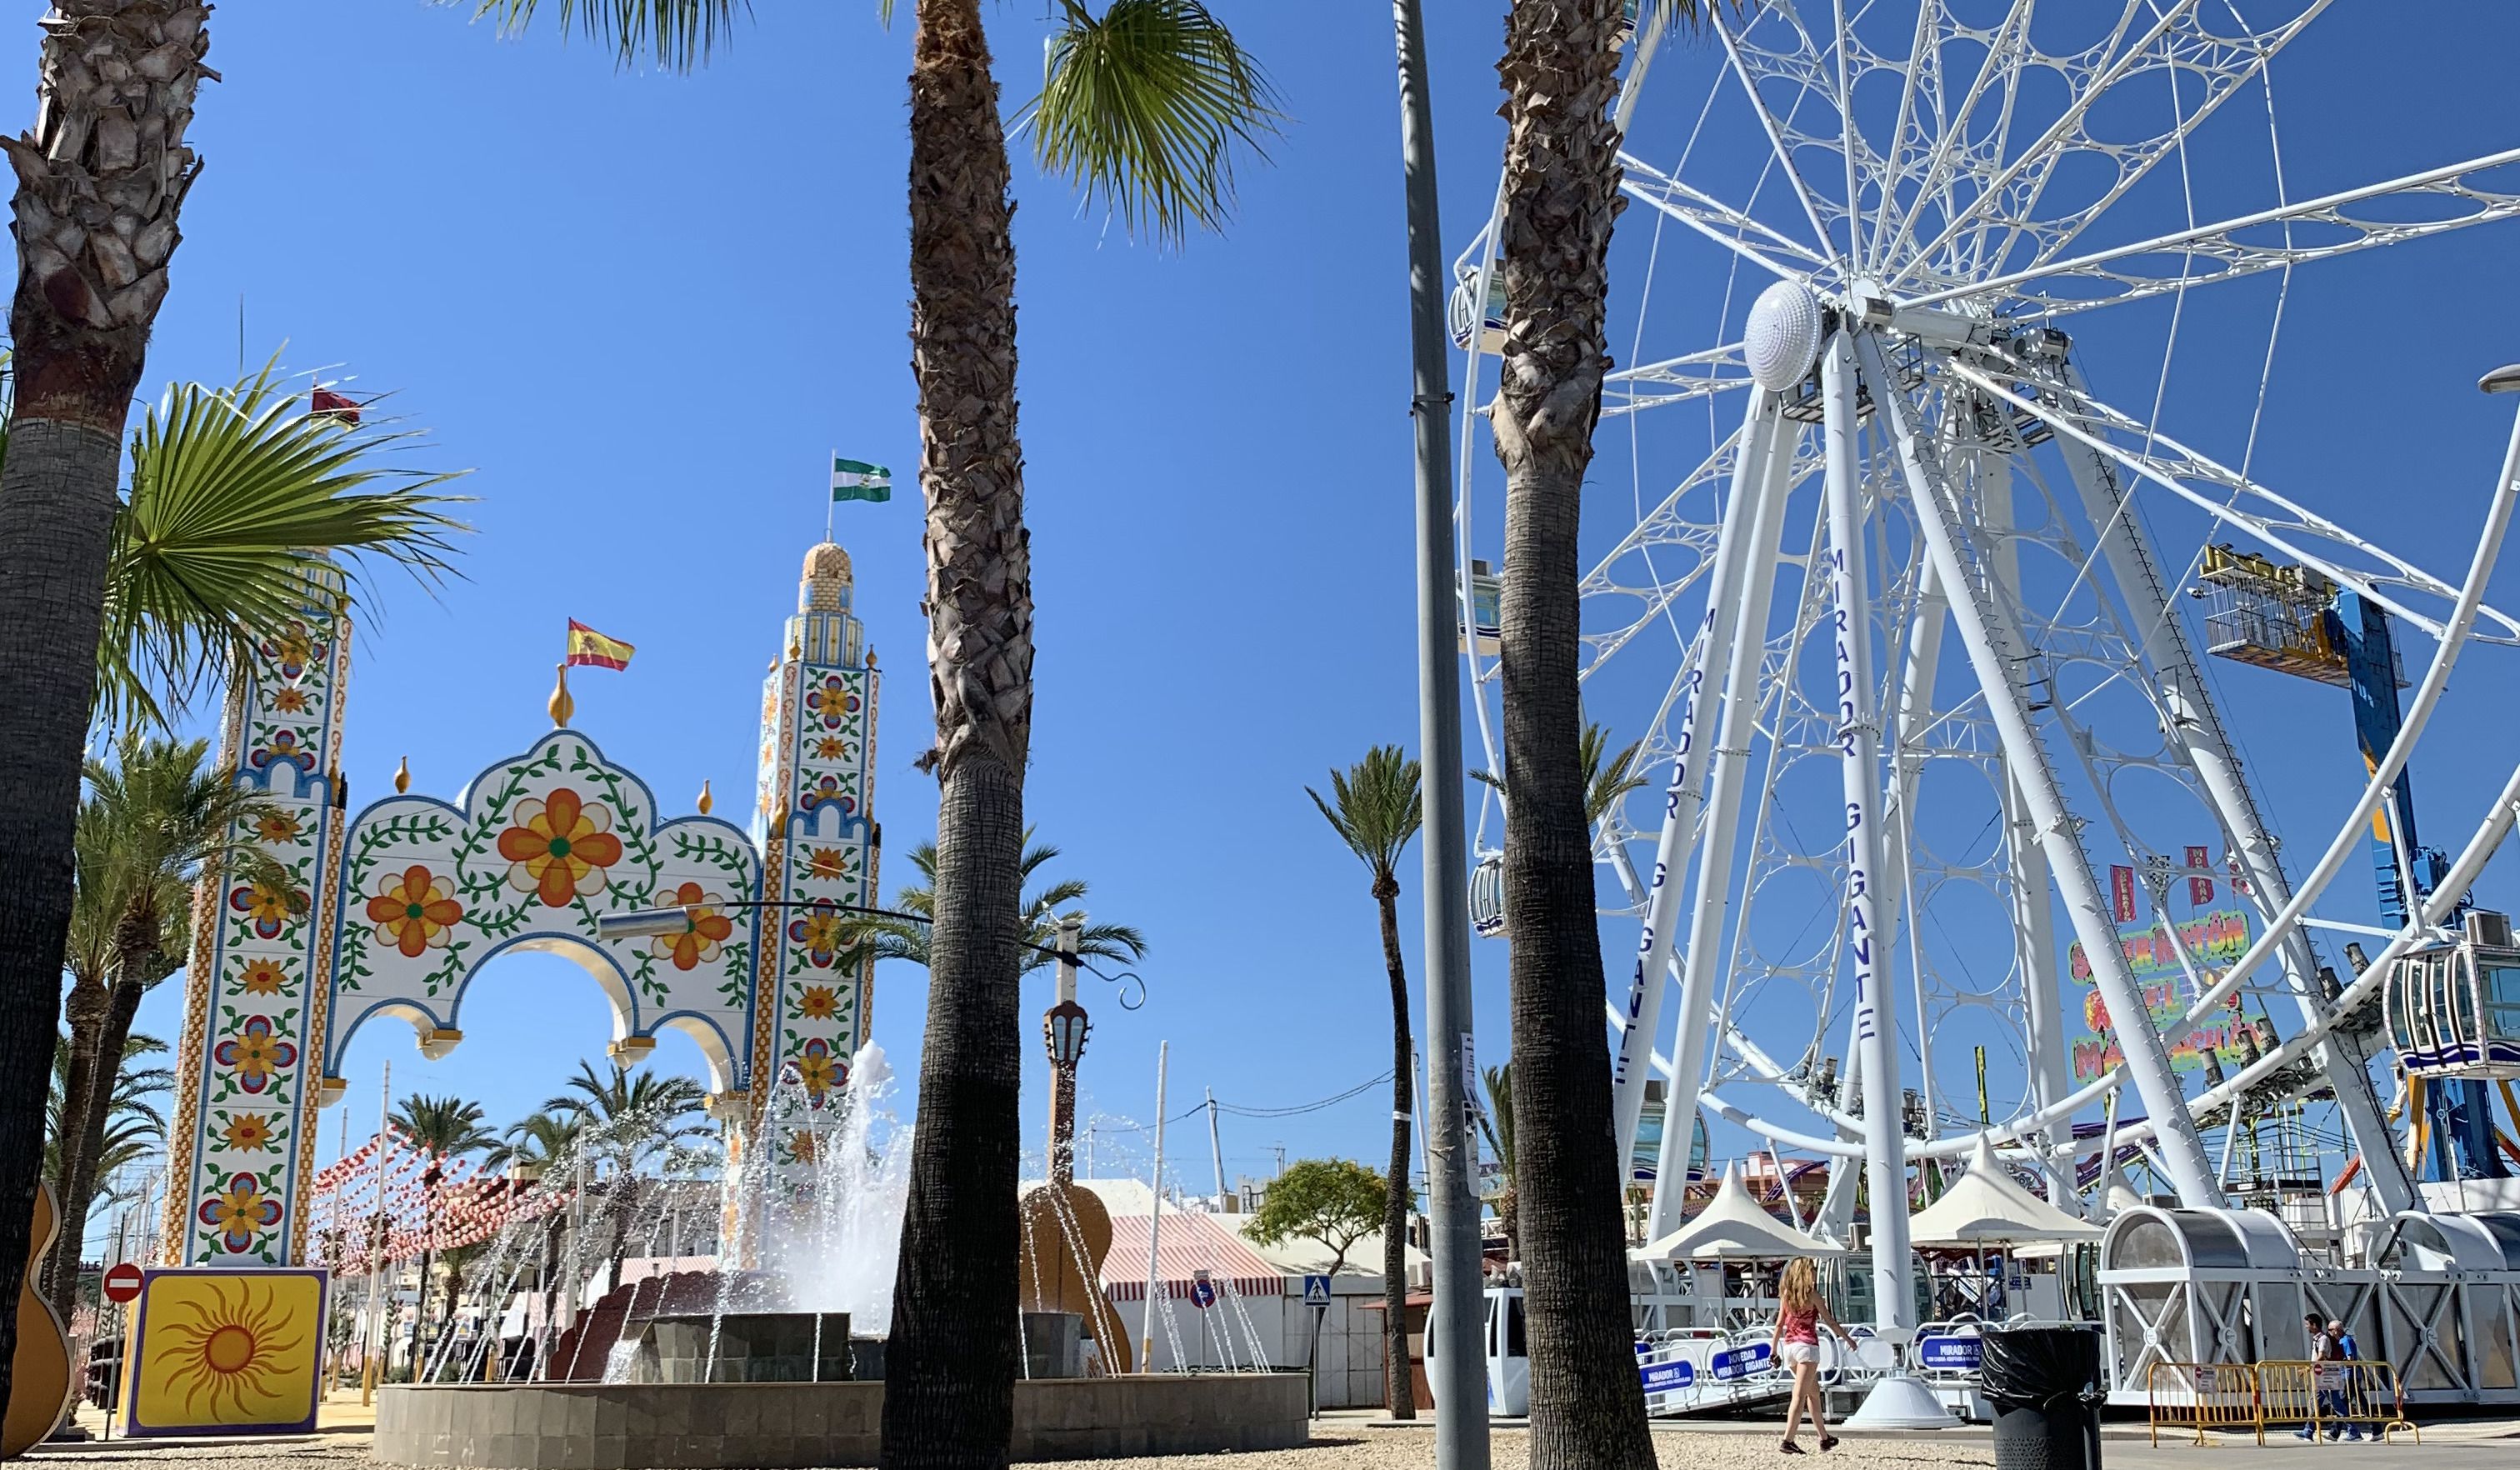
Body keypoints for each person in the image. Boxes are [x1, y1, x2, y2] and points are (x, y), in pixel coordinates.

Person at [1771, 1257, 1858, 1455]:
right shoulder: (1813, 1296)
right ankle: (1788, 1440)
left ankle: (1825, 1438)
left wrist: (1773, 1350)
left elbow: (1778, 1325)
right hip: (1807, 1347)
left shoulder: (1786, 1294)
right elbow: (1831, 1322)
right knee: (1799, 1395)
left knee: (1813, 1393)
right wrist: (1848, 1339)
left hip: (1790, 1348)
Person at [2325, 1319, 2367, 1442]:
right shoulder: (2342, 1341)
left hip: (2349, 1375)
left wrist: (2336, 1362)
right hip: (2349, 1374)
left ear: (2336, 1330)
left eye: (2330, 1330)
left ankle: (2341, 1432)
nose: (2328, 1333)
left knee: (2342, 1403)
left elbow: (2350, 1359)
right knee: (2360, 1403)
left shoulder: (2346, 1341)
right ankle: (2376, 1429)